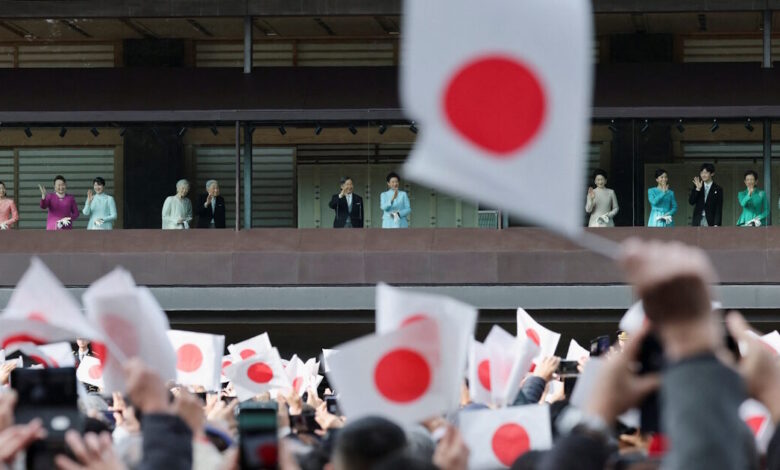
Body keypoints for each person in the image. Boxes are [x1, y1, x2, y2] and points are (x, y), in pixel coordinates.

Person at [688, 163, 723, 227]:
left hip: (710, 220)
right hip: (698, 219)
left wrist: (716, 224)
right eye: (702, 173)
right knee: (697, 237)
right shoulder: (697, 185)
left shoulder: (718, 189)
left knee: (709, 237)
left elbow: (718, 208)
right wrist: (697, 189)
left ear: (712, 174)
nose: (703, 175)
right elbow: (691, 202)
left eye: (706, 173)